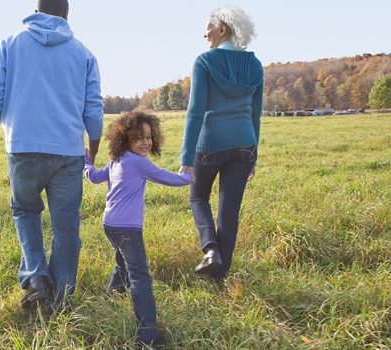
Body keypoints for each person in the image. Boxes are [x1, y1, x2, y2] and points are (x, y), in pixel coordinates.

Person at [0, 0, 103, 312]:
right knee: (66, 224)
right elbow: (93, 109)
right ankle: (61, 296)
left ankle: (37, 280)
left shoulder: (9, 45)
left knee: (25, 211)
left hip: (23, 146)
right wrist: (93, 147)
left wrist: (15, 124)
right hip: (68, 151)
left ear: (36, 11)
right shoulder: (84, 54)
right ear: (66, 14)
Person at [85, 111, 192, 346]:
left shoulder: (117, 161)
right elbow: (169, 178)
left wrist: (86, 161)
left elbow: (93, 177)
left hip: (110, 225)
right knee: (140, 276)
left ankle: (111, 298)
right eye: (138, 138)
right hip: (127, 229)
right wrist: (190, 176)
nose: (145, 143)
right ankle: (148, 335)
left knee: (122, 264)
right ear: (125, 140)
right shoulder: (138, 163)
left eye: (148, 137)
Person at [179, 5, 263, 284]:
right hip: (244, 145)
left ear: (223, 29)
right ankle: (219, 278)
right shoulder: (255, 65)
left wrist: (186, 157)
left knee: (197, 196)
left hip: (210, 144)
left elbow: (195, 111)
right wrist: (254, 157)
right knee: (229, 212)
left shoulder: (204, 62)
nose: (205, 33)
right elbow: (255, 113)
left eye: (209, 27)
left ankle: (211, 250)